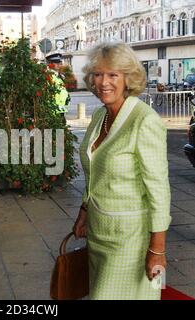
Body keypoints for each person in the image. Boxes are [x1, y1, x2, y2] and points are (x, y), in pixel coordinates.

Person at [73, 42, 171, 300]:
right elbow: (95, 172)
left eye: (113, 74)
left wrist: (157, 250)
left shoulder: (144, 120)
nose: (103, 82)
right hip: (99, 234)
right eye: (98, 74)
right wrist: (84, 210)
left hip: (131, 240)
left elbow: (159, 190)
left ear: (128, 78)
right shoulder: (99, 117)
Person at [46, 53, 70, 123]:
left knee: (60, 132)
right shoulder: (48, 76)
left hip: (60, 109)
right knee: (54, 132)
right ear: (49, 63)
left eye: (59, 62)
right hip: (52, 110)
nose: (59, 65)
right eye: (56, 63)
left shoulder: (59, 76)